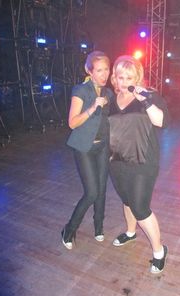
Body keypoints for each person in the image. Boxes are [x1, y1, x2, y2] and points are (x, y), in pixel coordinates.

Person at [109, 55, 170, 274]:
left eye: (129, 77)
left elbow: (161, 121)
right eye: (120, 76)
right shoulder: (111, 98)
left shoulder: (148, 95)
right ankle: (131, 232)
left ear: (138, 77)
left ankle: (159, 251)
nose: (124, 82)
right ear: (114, 77)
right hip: (117, 161)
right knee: (127, 201)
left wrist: (144, 99)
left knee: (141, 208)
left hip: (143, 163)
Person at [61, 50, 113, 249]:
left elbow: (109, 121)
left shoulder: (108, 93)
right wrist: (92, 107)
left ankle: (98, 227)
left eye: (106, 69)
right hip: (84, 148)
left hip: (102, 147)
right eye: (99, 70)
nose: (104, 74)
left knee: (102, 189)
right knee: (92, 192)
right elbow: (72, 123)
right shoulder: (80, 91)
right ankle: (69, 229)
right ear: (89, 71)